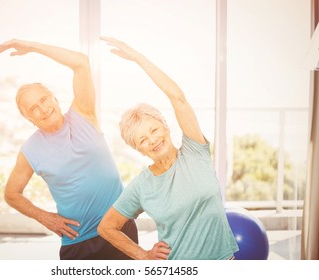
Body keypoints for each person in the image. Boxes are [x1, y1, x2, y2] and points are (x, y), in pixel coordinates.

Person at [97, 37, 239, 260]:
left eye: (154, 130)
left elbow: (178, 98)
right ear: (139, 149)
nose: (152, 141)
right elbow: (106, 227)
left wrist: (138, 58)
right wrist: (143, 255)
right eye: (142, 140)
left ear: (165, 126)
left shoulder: (195, 152)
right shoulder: (142, 186)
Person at [0, 39, 138, 260]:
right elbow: (11, 194)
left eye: (44, 99)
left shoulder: (83, 114)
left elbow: (81, 63)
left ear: (54, 98)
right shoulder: (30, 151)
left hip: (120, 229)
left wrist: (33, 47)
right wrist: (45, 218)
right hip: (80, 242)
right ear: (28, 117)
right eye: (33, 108)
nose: (43, 109)